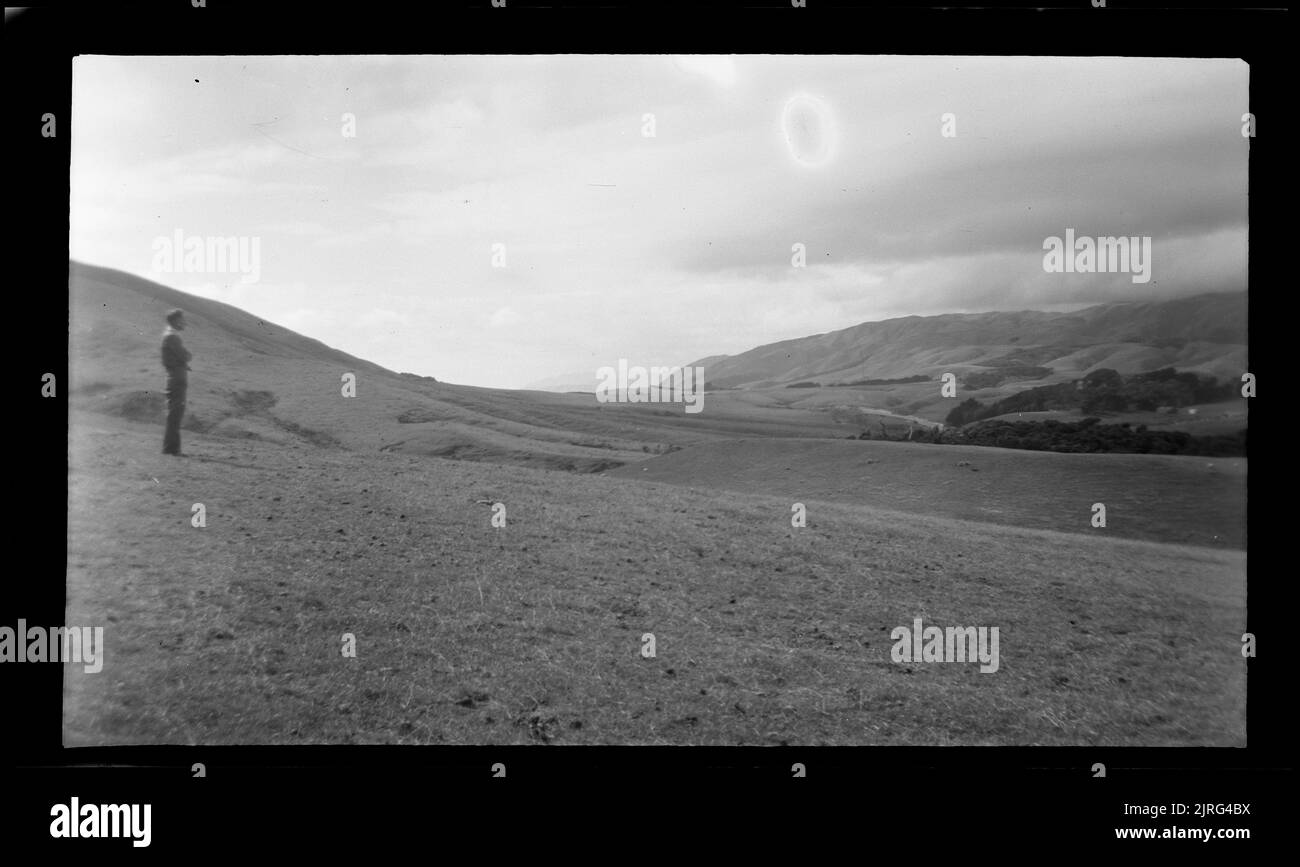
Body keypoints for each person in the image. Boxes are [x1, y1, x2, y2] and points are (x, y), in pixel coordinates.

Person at [160, 309, 192, 456]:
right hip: (177, 380)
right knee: (175, 415)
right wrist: (185, 358)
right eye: (182, 319)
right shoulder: (173, 337)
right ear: (176, 321)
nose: (185, 322)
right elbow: (185, 355)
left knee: (174, 415)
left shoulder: (170, 336)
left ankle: (171, 449)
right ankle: (171, 450)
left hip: (174, 379)